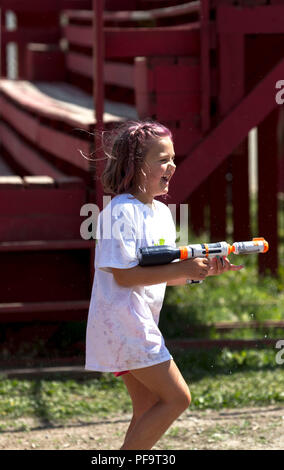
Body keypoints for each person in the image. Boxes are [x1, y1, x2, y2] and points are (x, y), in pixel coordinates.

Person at [84, 120, 244, 450]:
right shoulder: (119, 213)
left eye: (172, 158)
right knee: (177, 398)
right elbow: (125, 276)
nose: (171, 166)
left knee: (146, 409)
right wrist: (184, 266)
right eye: (161, 159)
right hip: (124, 325)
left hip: (137, 322)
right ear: (135, 164)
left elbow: (162, 274)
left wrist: (199, 273)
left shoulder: (161, 213)